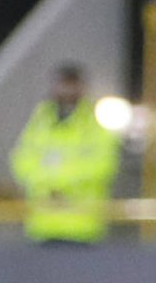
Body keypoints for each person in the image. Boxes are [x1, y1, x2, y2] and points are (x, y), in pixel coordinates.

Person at [10, 63, 121, 244]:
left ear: (82, 87)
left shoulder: (95, 124)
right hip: (42, 225)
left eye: (72, 84)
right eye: (63, 84)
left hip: (82, 226)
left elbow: (104, 165)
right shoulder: (40, 121)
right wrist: (51, 182)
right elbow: (21, 162)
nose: (67, 90)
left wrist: (56, 182)